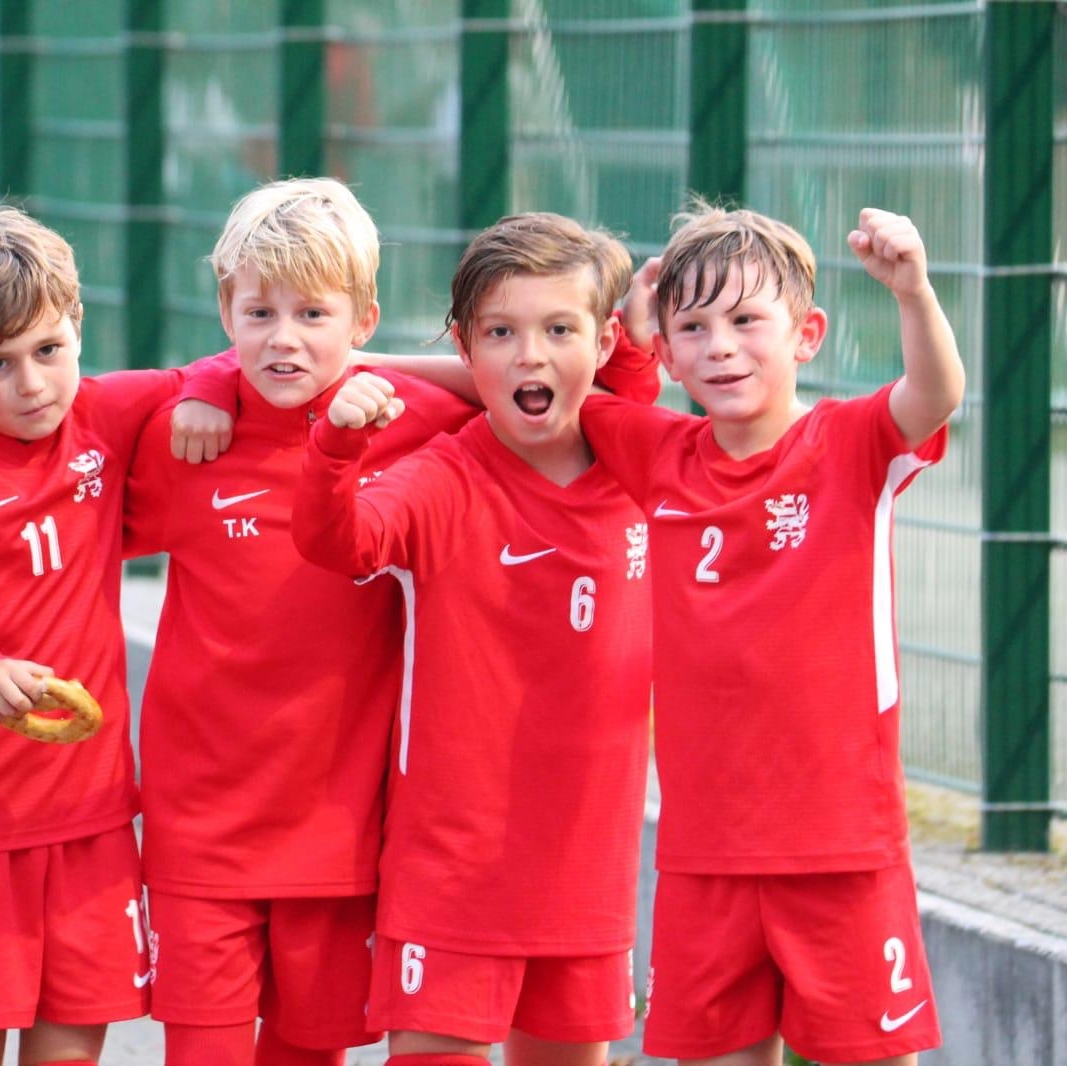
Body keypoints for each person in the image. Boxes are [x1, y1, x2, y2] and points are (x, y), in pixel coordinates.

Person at [580, 204, 964, 1066]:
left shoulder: (850, 442)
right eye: (693, 328)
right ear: (670, 352)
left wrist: (914, 291)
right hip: (704, 853)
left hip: (841, 846)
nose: (720, 347)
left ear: (807, 336)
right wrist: (629, 340)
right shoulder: (661, 452)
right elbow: (563, 394)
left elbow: (935, 395)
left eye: (747, 320)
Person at [118, 176, 480, 1066]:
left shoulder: (410, 423)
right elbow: (50, 425)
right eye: (259, 313)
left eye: (314, 314)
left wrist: (363, 367)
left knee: (308, 1051)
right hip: (200, 822)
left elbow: (524, 379)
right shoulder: (185, 435)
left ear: (364, 320)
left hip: (341, 822)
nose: (283, 339)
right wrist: (208, 377)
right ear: (225, 314)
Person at [0, 204, 234, 1066]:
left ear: (77, 325)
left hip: (91, 817)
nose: (32, 384)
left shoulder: (106, 411)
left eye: (49, 350)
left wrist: (209, 392)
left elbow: (239, 362)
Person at [291, 212, 653, 1066]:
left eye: (557, 331)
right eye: (500, 333)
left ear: (601, 342)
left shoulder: (642, 456)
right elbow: (338, 540)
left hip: (588, 874)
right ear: (463, 346)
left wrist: (646, 319)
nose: (530, 356)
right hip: (451, 875)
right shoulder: (444, 476)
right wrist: (337, 444)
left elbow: (667, 389)